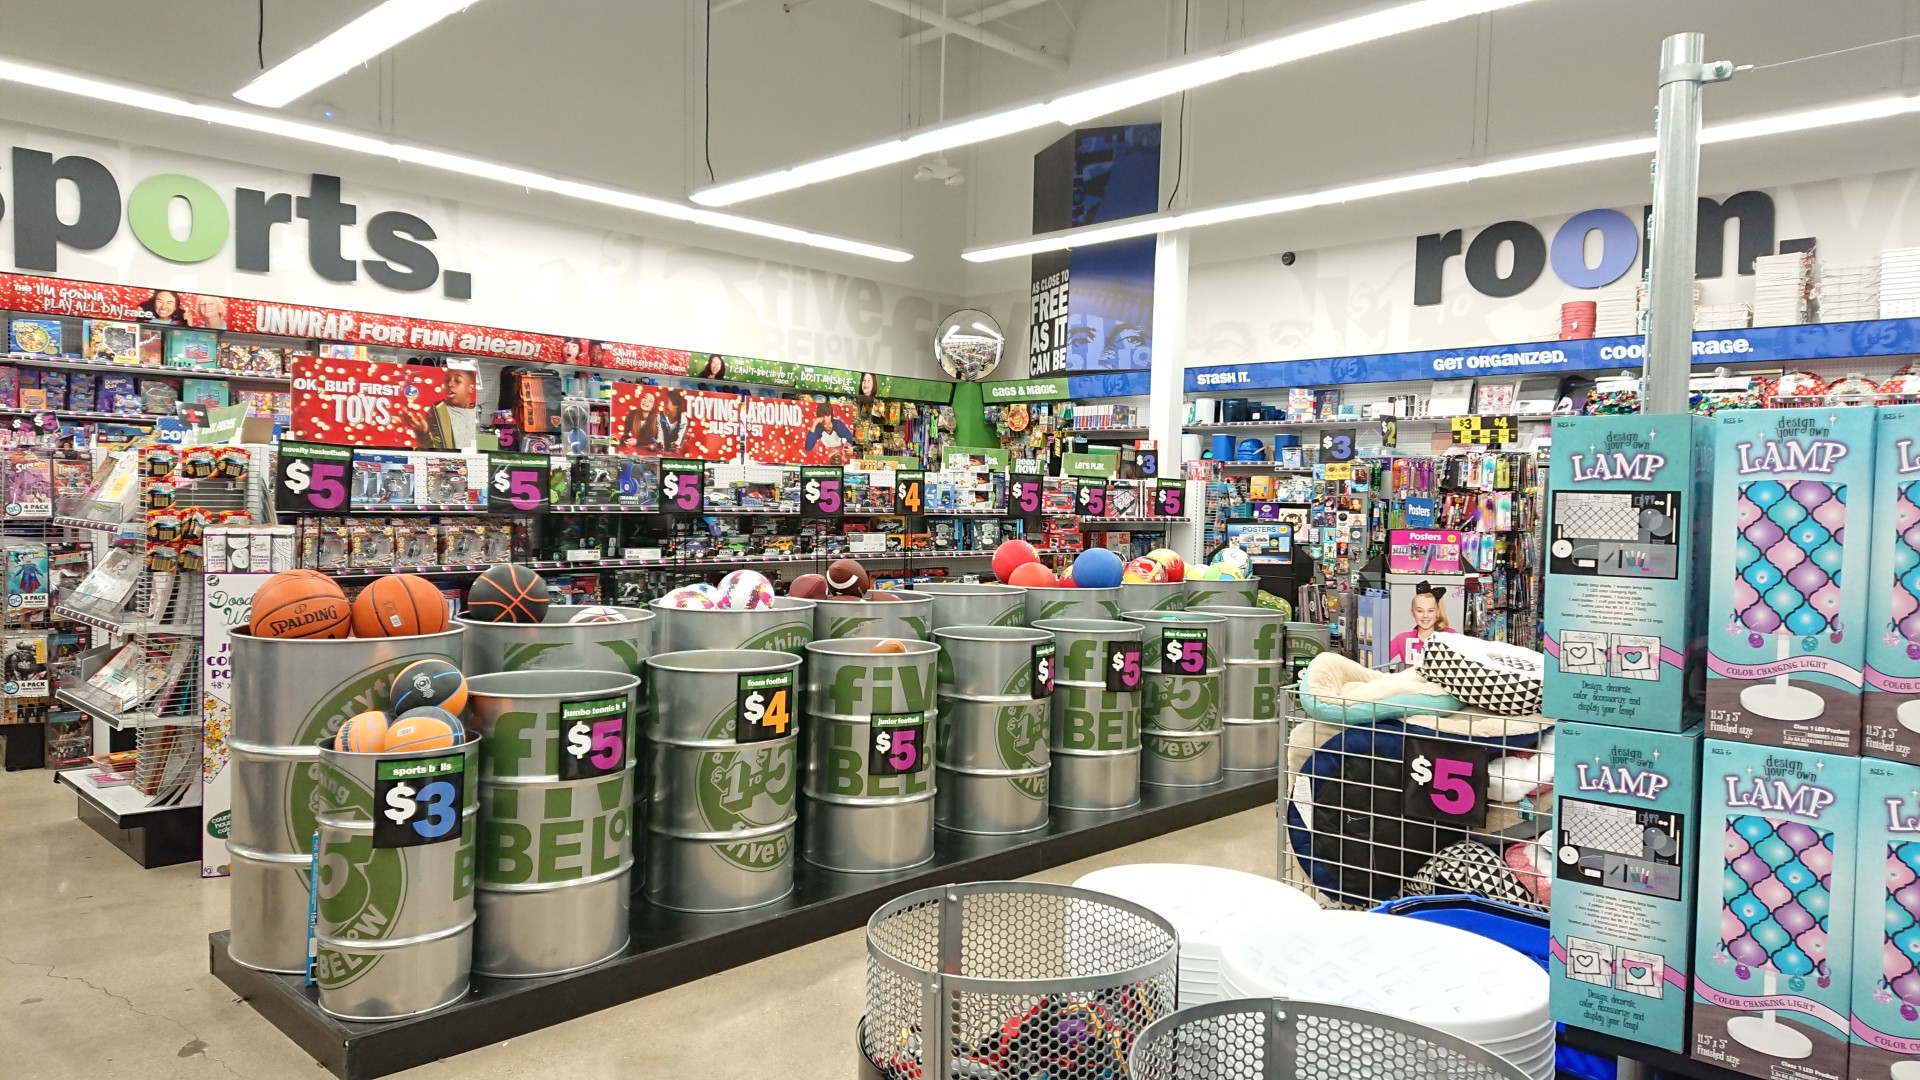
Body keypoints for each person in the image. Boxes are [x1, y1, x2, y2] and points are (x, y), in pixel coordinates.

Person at [1388, 581, 1455, 668]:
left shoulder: (1451, 635)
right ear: (1412, 612)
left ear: (1438, 612)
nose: (1425, 615)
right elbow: (1378, 660)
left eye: (1430, 611)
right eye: (1420, 611)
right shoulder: (1402, 639)